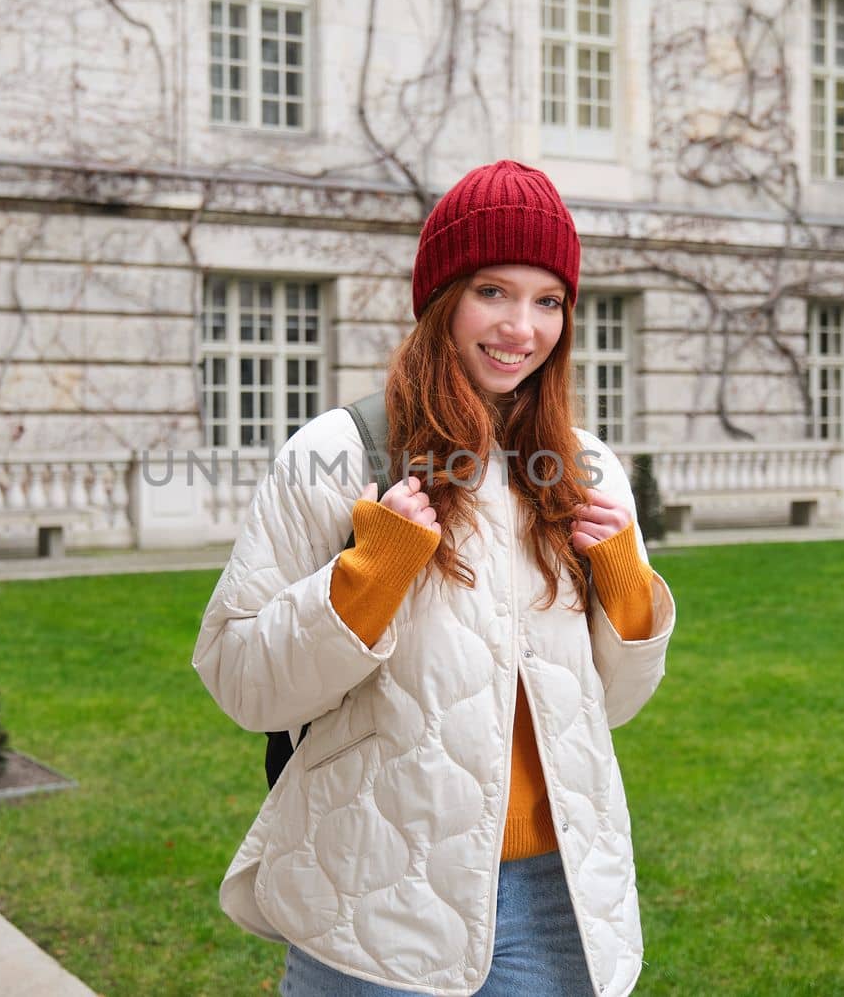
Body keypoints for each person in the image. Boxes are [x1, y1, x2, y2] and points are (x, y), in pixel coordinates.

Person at [193, 160, 675, 996]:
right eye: (493, 290)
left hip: (558, 900)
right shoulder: (337, 455)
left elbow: (611, 710)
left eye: (548, 299)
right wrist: (369, 575)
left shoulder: (588, 469)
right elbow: (242, 682)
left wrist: (625, 586)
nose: (521, 327)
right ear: (442, 296)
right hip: (372, 896)